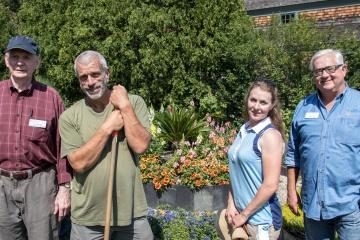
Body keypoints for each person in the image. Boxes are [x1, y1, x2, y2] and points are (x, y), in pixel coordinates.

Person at [59, 50, 153, 240]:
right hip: (88, 219)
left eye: (95, 74)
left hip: (132, 214)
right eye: (83, 77)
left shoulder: (133, 102)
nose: (90, 82)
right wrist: (107, 127)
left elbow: (141, 145)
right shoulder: (69, 116)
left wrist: (125, 106)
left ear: (107, 73)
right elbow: (78, 163)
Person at [0, 35, 71, 239]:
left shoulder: (51, 97)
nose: (20, 62)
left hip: (40, 185)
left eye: (26, 57)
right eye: (15, 56)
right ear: (6, 60)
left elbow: (62, 147)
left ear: (37, 62)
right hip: (2, 185)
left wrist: (64, 189)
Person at [285, 49, 360, 240]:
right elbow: (293, 153)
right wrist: (291, 192)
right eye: (318, 71)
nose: (324, 75)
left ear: (344, 69)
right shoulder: (303, 107)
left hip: (352, 204)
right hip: (314, 206)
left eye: (330, 69)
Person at [218, 79, 284, 240]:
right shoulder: (244, 130)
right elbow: (236, 173)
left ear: (271, 106)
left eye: (263, 102)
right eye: (253, 100)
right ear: (247, 99)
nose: (256, 106)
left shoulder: (270, 136)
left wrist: (244, 215)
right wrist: (231, 203)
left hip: (261, 223)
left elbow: (270, 185)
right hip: (240, 217)